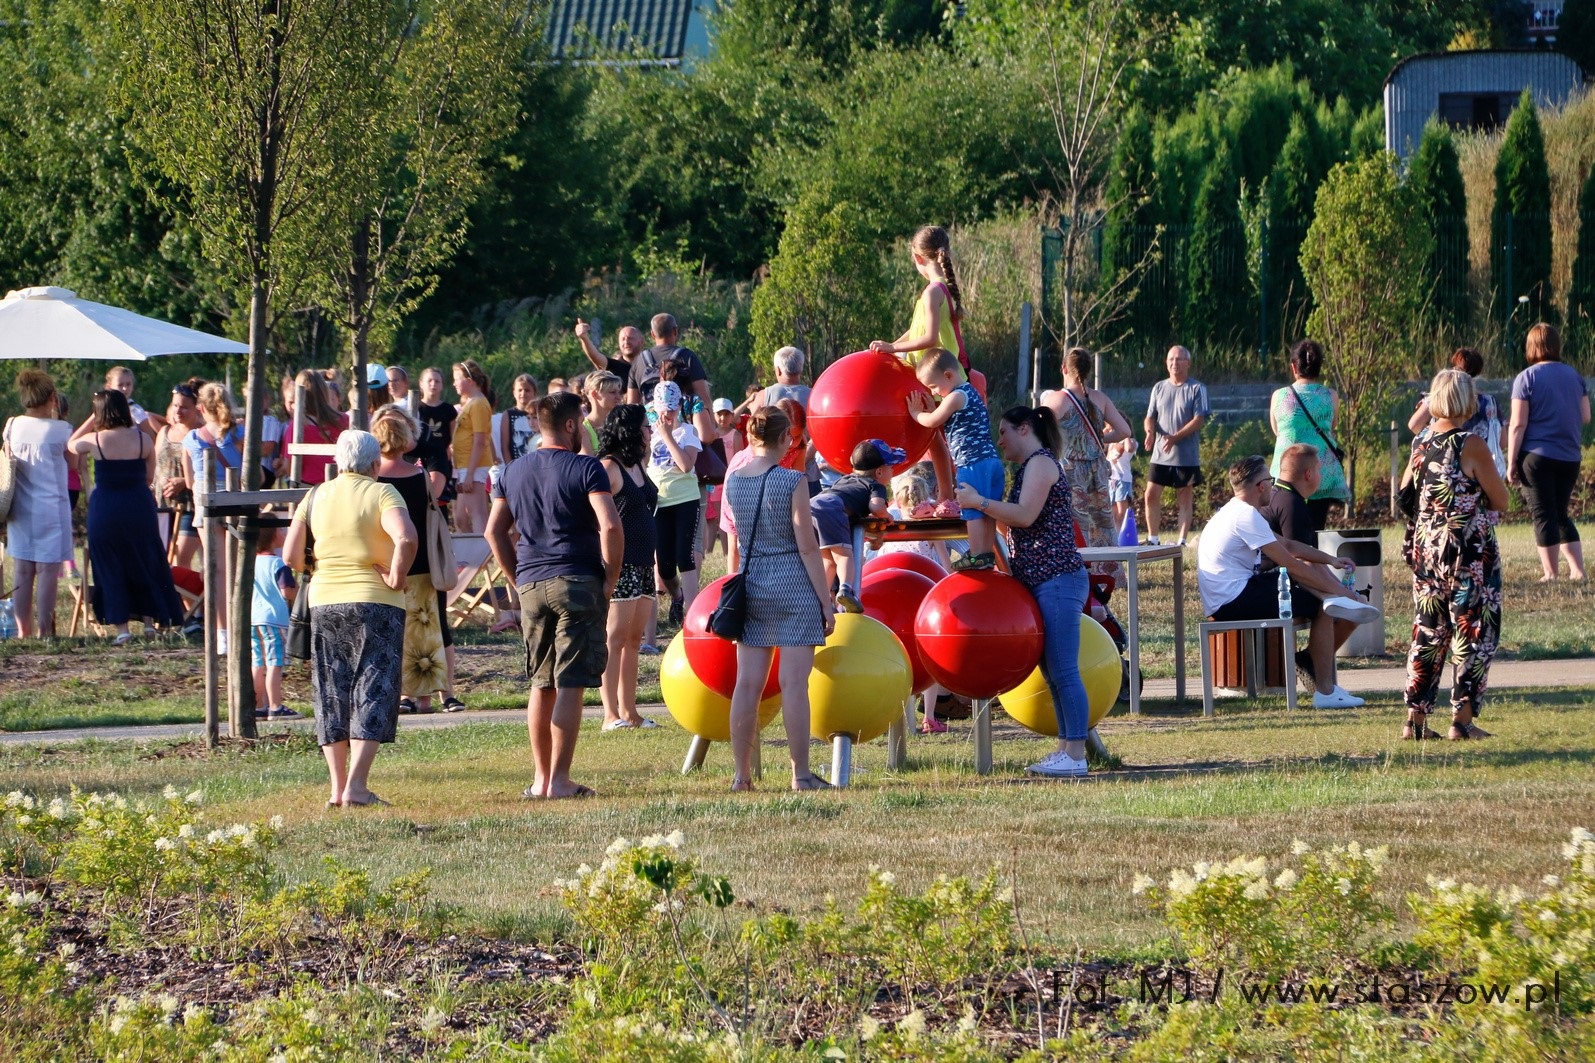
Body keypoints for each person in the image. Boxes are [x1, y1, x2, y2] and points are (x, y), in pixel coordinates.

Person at [484, 392, 622, 800]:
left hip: (531, 582)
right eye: (581, 421)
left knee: (541, 683)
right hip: (577, 578)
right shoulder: (586, 469)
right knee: (571, 681)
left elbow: (494, 531)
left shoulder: (511, 472)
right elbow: (610, 528)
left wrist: (517, 578)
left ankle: (540, 779)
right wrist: (609, 578)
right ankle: (561, 781)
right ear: (569, 425)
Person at [954, 406, 1091, 777]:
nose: (999, 440)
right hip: (1044, 580)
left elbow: (1025, 515)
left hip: (1059, 579)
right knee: (1053, 671)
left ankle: (1076, 753)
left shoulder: (1042, 465)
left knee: (1063, 669)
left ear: (1025, 429)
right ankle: (1067, 748)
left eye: (1004, 432)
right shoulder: (1028, 468)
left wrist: (978, 502)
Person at [284, 431, 416, 809]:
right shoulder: (383, 493)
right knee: (373, 685)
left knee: (332, 689)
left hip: (325, 601)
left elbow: (292, 556)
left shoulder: (314, 495)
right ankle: (358, 786)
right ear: (375, 464)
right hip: (376, 601)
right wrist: (396, 576)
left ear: (339, 462)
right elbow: (406, 538)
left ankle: (337, 787)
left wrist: (318, 567)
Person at [1197, 455, 1379, 709]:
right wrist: (1338, 593)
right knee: (1320, 604)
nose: (1273, 486)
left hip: (1232, 594)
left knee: (1321, 598)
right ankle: (1325, 692)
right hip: (1232, 599)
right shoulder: (1245, 517)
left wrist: (1330, 560)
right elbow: (1291, 565)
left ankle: (1339, 609)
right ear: (1261, 486)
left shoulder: (1237, 511)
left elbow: (1290, 545)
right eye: (1270, 481)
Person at [725, 406, 836, 792]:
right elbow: (807, 545)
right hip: (793, 583)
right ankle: (800, 774)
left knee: (747, 685)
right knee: (793, 686)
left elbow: (735, 541)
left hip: (752, 582)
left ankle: (742, 776)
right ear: (786, 439)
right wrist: (826, 600)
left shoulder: (734, 481)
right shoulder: (792, 480)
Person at [1399, 370, 1509, 742]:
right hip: (1466, 550)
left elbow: (1404, 497)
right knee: (1472, 630)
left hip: (1426, 549)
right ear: (1468, 401)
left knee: (1429, 633)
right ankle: (1461, 721)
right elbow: (1502, 499)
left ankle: (1414, 720)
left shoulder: (1421, 442)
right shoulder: (1470, 443)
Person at [70, 389, 185, 643]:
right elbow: (149, 476)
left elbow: (71, 444)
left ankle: (122, 630)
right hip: (138, 506)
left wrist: (91, 418)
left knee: (110, 564)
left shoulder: (96, 440)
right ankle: (149, 623)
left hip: (107, 508)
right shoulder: (144, 440)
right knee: (143, 559)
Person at [867, 225, 972, 500]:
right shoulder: (942, 290)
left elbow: (928, 338)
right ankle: (945, 494)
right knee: (937, 438)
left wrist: (894, 347)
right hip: (940, 374)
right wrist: (891, 347)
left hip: (937, 375)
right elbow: (917, 332)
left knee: (940, 438)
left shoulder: (932, 293)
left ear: (917, 258)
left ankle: (947, 495)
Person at [372, 406, 465, 716]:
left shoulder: (373, 480)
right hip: (425, 559)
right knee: (434, 627)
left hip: (389, 562)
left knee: (397, 631)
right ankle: (439, 695)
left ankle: (405, 696)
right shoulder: (421, 474)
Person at [1506, 323, 1589, 582]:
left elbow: (1518, 424)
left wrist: (1511, 462)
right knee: (1561, 513)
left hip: (1536, 456)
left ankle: (1550, 573)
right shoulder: (1574, 376)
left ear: (1531, 347)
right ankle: (1578, 571)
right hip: (1569, 456)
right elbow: (1585, 416)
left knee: (1543, 514)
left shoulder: (1526, 378)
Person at [908, 347, 1003, 569]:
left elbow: (931, 422)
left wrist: (916, 413)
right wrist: (933, 409)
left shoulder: (956, 396)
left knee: (972, 511)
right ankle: (986, 553)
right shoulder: (970, 393)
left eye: (933, 386)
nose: (934, 392)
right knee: (987, 511)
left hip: (972, 464)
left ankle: (977, 555)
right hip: (991, 461)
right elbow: (945, 422)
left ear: (949, 375)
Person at [597, 404, 659, 730]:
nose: (650, 431)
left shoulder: (638, 465)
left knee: (634, 639)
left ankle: (631, 712)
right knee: (615, 637)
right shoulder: (608, 467)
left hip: (645, 563)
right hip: (620, 564)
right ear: (630, 429)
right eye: (646, 426)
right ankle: (610, 714)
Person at [4, 370, 77, 638]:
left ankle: (24, 631)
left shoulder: (12, 425)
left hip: (19, 508)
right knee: (47, 571)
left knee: (22, 571)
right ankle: (45, 631)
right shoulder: (62, 430)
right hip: (51, 508)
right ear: (52, 398)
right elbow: (74, 465)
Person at [1042, 347, 1134, 551]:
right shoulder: (1100, 398)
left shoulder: (1056, 400)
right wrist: (1101, 439)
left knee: (1075, 523)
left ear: (1064, 368)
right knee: (1101, 524)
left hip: (1070, 471)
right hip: (1098, 472)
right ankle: (1107, 572)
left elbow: (1036, 433)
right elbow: (1124, 430)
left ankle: (1078, 572)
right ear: (1088, 370)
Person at [1268, 339, 1349, 533]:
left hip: (1287, 472)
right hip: (1319, 472)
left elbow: (1276, 429)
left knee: (1285, 528)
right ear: (1319, 366)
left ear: (1293, 366)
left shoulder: (1280, 396)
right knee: (1315, 528)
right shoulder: (1331, 396)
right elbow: (1333, 425)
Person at [810, 439, 900, 608]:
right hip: (832, 507)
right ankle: (845, 589)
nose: (893, 471)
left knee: (828, 559)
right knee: (844, 555)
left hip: (814, 505)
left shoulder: (845, 479)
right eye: (891, 467)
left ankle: (818, 598)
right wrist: (886, 515)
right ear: (879, 472)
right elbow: (876, 506)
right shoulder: (875, 485)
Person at [647, 378, 703, 624]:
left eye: (671, 408)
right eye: (663, 409)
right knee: (665, 566)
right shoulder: (650, 433)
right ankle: (677, 596)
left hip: (685, 500)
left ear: (679, 406)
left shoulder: (688, 431)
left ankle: (692, 615)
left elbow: (686, 464)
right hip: (659, 502)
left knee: (684, 555)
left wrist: (668, 436)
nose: (667, 414)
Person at [1142, 346, 1208, 546]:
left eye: (1179, 359)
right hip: (1160, 454)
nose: (1174, 363)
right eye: (1171, 359)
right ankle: (1153, 538)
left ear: (1188, 363)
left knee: (1184, 498)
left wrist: (1175, 438)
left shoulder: (1197, 388)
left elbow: (1199, 419)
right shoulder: (1159, 387)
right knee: (1150, 494)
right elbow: (1150, 416)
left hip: (1185, 455)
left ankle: (1181, 540)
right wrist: (1150, 432)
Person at [1408, 347, 1505, 478]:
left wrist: (1432, 432)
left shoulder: (1439, 395)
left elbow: (1414, 425)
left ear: (1455, 367)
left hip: (1443, 465)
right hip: (1480, 470)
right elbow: (1503, 441)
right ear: (1479, 370)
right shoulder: (1490, 402)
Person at [626, 313, 716, 442]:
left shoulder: (639, 361)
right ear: (675, 331)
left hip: (653, 436)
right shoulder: (687, 356)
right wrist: (712, 427)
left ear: (652, 334)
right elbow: (703, 396)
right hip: (686, 439)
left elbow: (632, 406)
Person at [250, 523, 299, 719]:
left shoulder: (251, 562)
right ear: (273, 535)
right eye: (280, 530)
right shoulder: (277, 564)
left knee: (258, 663)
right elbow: (286, 591)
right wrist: (301, 593)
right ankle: (276, 706)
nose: (283, 533)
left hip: (254, 618)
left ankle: (258, 705)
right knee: (274, 663)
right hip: (274, 620)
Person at [155, 381, 204, 569]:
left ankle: (190, 599)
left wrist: (184, 481)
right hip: (163, 505)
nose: (178, 411)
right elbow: (155, 467)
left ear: (196, 409)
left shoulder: (200, 434)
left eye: (184, 407)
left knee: (179, 561)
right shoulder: (164, 432)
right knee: (165, 559)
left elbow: (208, 470)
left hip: (189, 506)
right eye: (175, 405)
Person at [451, 360, 495, 533]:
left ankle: (483, 557)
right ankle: (476, 555)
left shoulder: (478, 404)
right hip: (466, 465)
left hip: (473, 466)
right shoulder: (471, 403)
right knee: (464, 516)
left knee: (477, 514)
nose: (454, 383)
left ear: (469, 380)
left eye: (457, 379)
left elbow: (479, 440)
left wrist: (470, 474)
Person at [283, 369, 348, 485]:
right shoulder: (344, 420)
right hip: (339, 487)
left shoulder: (296, 426)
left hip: (307, 490)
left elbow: (289, 468)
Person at [1259, 444, 1321, 548]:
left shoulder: (1275, 495)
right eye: (1318, 470)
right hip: (1276, 564)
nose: (1320, 475)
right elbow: (1301, 557)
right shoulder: (1292, 504)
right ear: (1308, 474)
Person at [412, 367, 457, 510]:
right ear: (421, 383)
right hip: (420, 459)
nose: (433, 384)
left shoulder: (448, 410)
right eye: (429, 380)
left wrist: (448, 455)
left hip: (441, 459)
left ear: (442, 385)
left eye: (437, 381)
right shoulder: (416, 408)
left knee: (439, 500)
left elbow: (453, 436)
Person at [575, 319, 646, 381]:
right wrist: (584, 338)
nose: (626, 342)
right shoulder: (614, 366)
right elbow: (595, 355)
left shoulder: (650, 364)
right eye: (623, 339)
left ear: (642, 341)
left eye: (630, 338)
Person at [579, 371, 623, 456]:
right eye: (613, 392)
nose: (619, 397)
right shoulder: (583, 429)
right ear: (594, 394)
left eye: (619, 392)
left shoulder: (622, 422)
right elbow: (589, 464)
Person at [502, 374, 540, 468]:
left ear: (534, 392)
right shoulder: (508, 414)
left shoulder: (540, 413)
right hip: (516, 465)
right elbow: (505, 446)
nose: (523, 393)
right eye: (520, 390)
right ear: (514, 392)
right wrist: (510, 467)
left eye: (527, 390)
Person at [1107, 438, 1137, 532]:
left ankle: (1122, 535)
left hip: (1124, 480)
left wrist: (1126, 436)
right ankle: (1116, 535)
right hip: (1112, 480)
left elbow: (1129, 449)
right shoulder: (1112, 441)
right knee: (1113, 512)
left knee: (1121, 513)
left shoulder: (1131, 441)